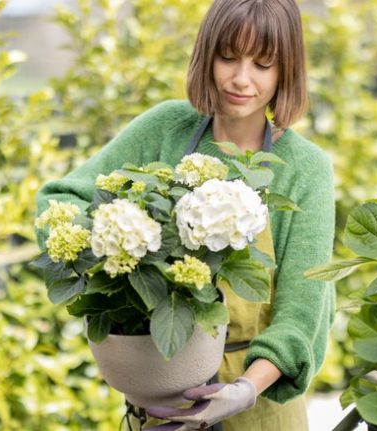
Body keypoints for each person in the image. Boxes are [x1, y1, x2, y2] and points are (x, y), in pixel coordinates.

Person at [35, 0, 335, 429]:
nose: (241, 79)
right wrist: (113, 242)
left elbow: (301, 316)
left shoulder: (305, 168)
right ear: (207, 54)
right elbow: (59, 199)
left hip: (258, 410)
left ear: (286, 70)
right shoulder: (167, 129)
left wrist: (243, 391)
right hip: (161, 406)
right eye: (227, 57)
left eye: (263, 64)